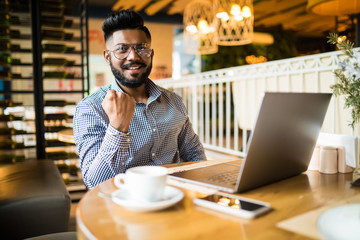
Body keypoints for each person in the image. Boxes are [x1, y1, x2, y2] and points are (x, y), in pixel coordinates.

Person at [73, 9, 206, 189]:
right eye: (122, 49)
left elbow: (194, 155)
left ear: (151, 53)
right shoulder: (90, 108)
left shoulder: (174, 101)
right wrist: (118, 129)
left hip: (175, 197)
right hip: (124, 204)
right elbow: (95, 183)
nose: (133, 57)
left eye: (141, 48)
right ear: (107, 57)